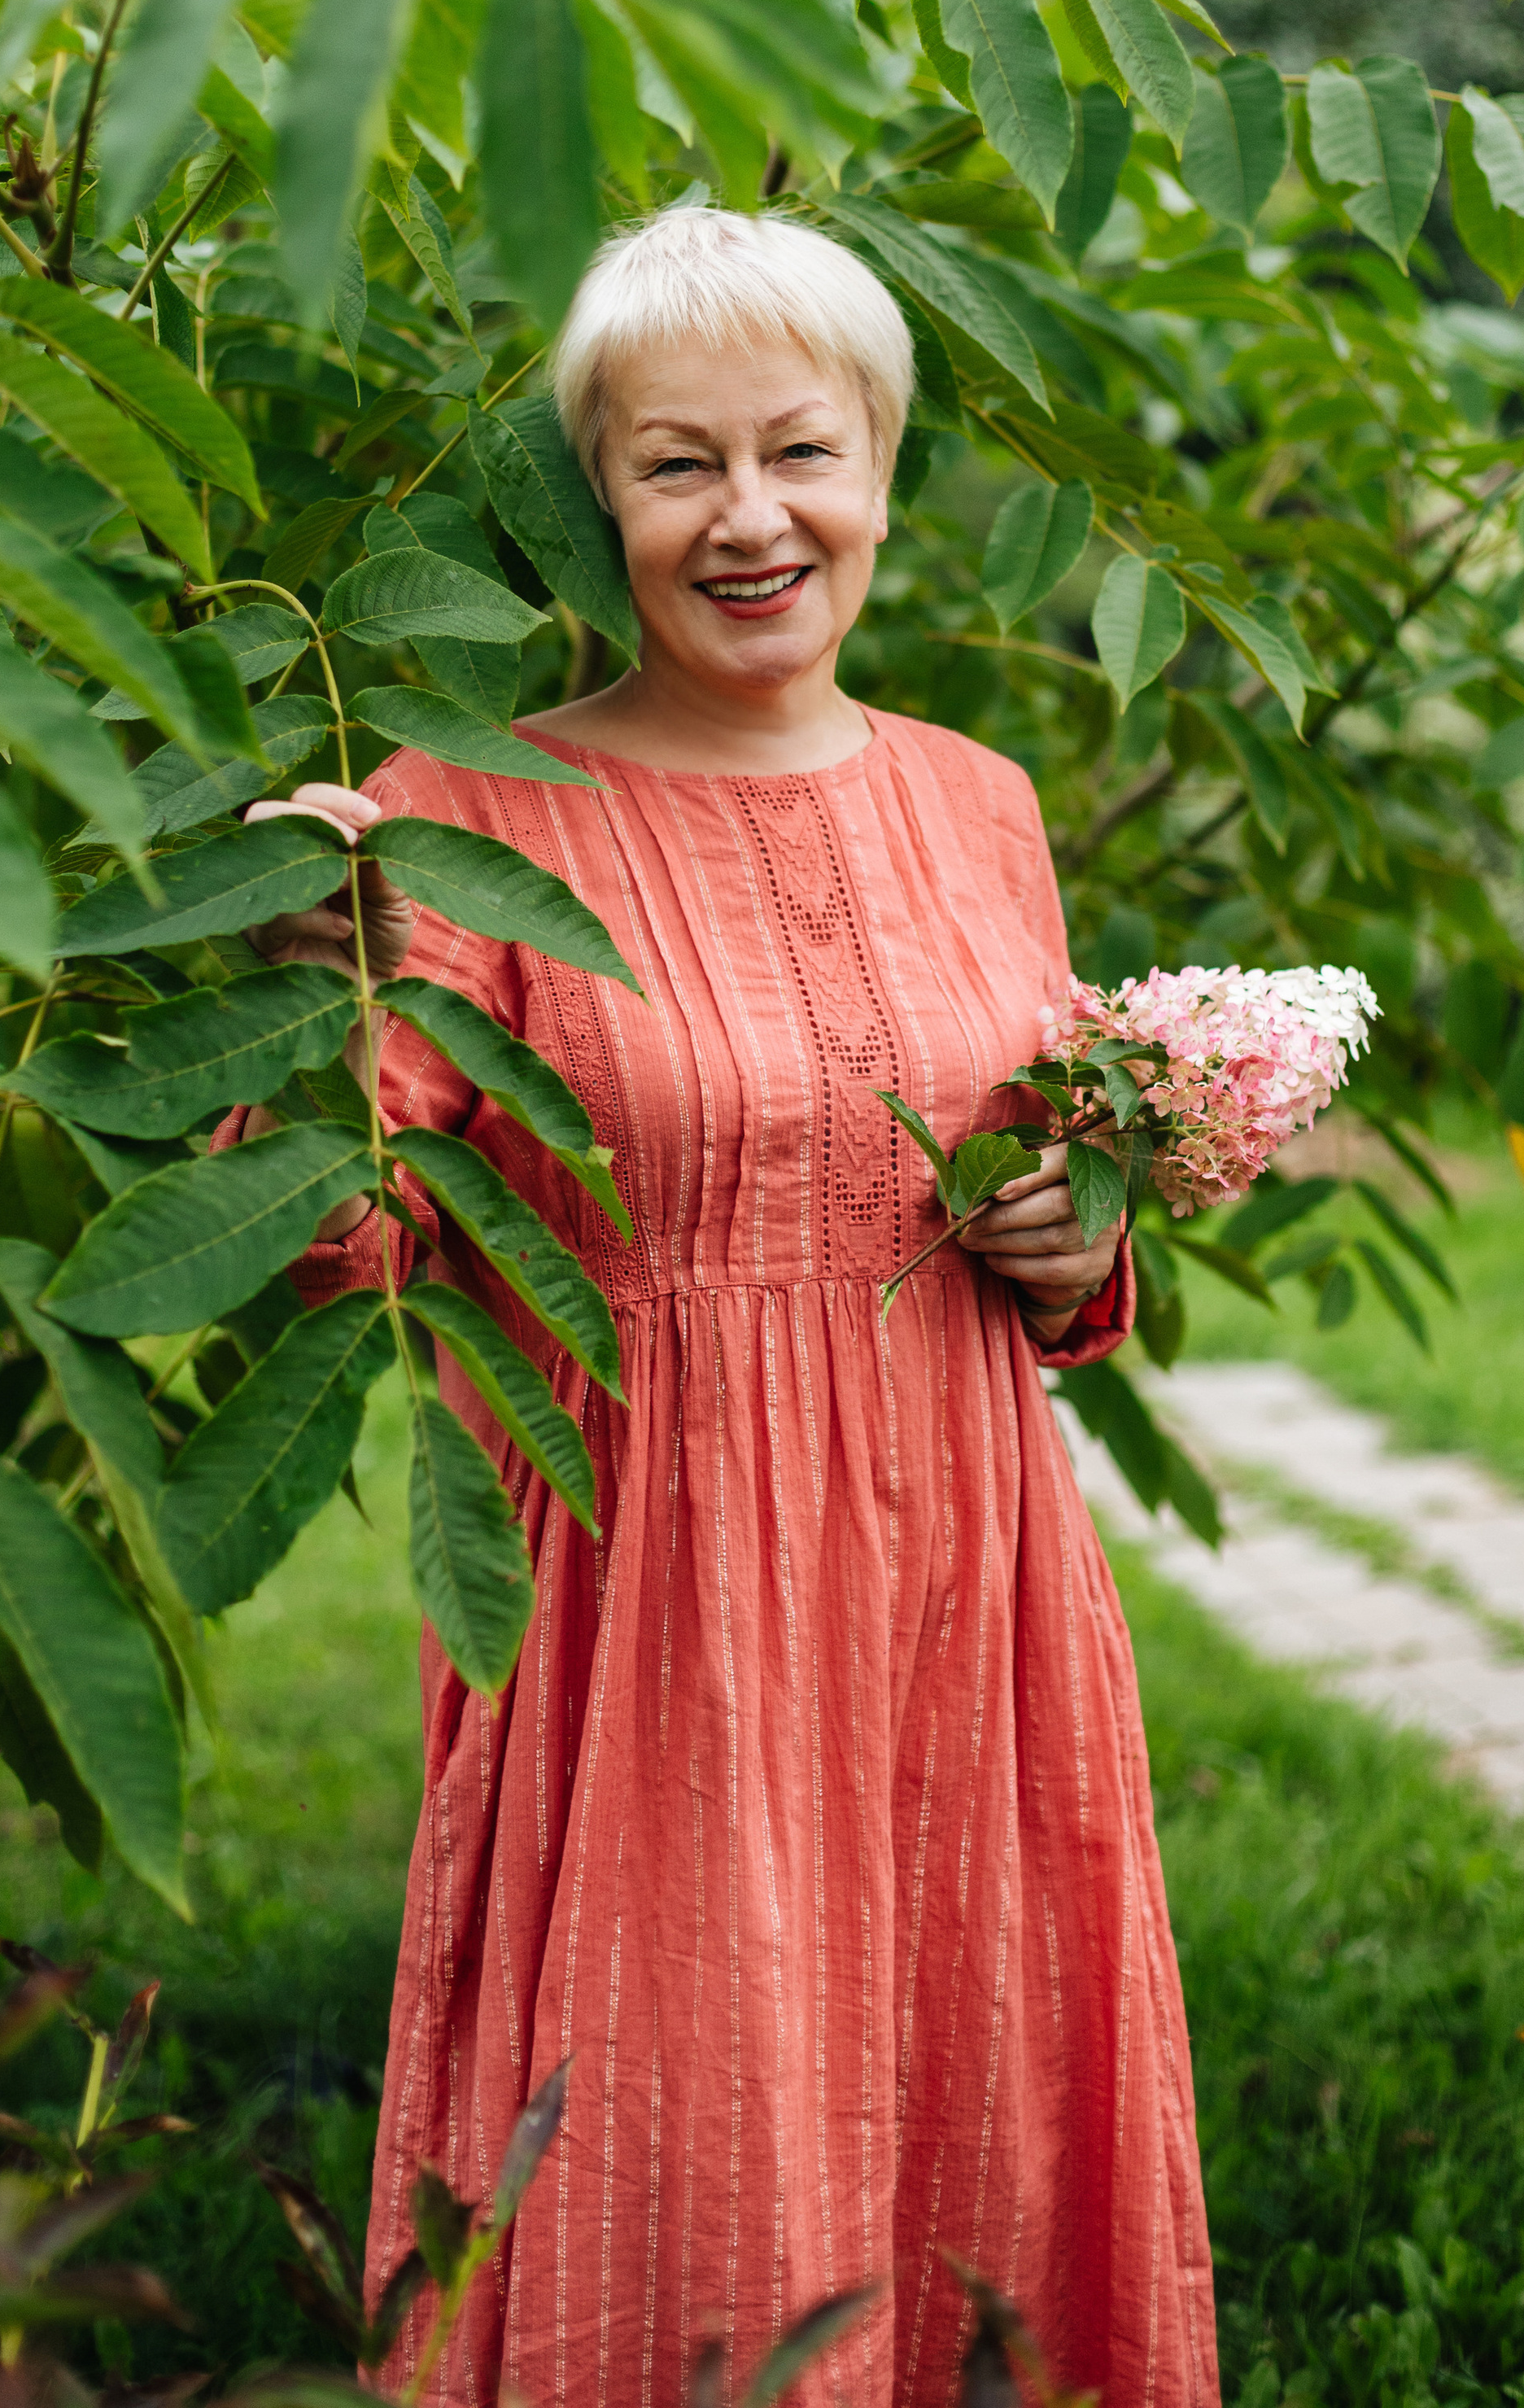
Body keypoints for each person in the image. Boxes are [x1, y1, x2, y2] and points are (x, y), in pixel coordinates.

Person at [226, 207, 1217, 2405]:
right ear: (602, 498)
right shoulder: (468, 814)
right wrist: (312, 991)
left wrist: (1086, 1247)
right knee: (685, 2143)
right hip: (654, 1606)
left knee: (973, 2094)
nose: (751, 517)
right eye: (679, 465)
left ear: (883, 468)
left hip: (974, 1593)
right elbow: (338, 1250)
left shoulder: (982, 804)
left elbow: (1038, 1203)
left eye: (802, 451)